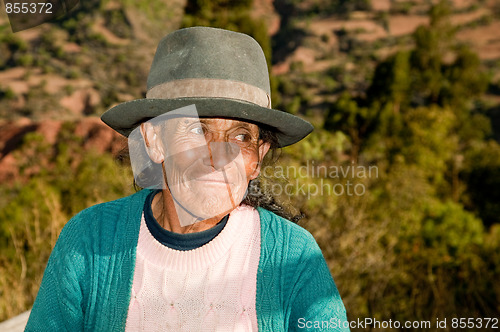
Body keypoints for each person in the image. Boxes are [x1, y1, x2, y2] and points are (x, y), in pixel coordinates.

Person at [25, 27, 349, 331]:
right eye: (196, 130)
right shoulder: (90, 240)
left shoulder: (294, 256)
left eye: (240, 136)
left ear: (257, 159)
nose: (217, 157)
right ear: (154, 141)